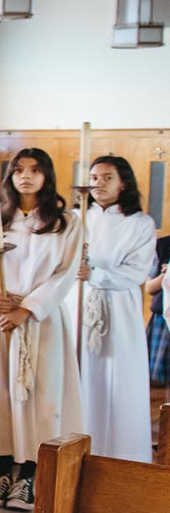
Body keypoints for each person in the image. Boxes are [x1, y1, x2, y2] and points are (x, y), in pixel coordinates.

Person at [0, 148, 83, 510]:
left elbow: (65, 273)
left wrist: (27, 309)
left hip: (39, 322)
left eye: (35, 170)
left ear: (47, 176)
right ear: (10, 176)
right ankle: (3, 474)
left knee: (37, 398)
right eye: (19, 170)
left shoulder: (65, 222)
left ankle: (30, 476)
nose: (26, 176)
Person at [70, 155, 157, 462]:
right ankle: (74, 452)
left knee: (116, 382)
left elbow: (135, 273)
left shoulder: (140, 224)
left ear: (124, 183)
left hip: (118, 310)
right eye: (93, 178)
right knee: (78, 379)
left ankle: (121, 456)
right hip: (77, 307)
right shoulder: (75, 218)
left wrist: (95, 274)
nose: (99, 184)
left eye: (108, 178)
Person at [149, 235, 170, 386]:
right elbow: (149, 287)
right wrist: (165, 275)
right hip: (163, 318)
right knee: (159, 382)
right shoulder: (163, 245)